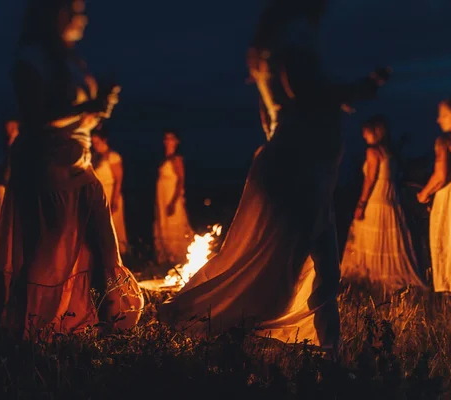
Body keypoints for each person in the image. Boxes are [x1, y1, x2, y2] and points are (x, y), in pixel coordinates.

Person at [159, 0, 390, 354]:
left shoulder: (286, 46)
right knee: (294, 264)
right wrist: (362, 87)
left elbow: (292, 108)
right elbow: (308, 95)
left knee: (316, 262)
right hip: (299, 166)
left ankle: (330, 351)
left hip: (307, 164)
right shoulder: (289, 47)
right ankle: (217, 323)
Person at [0, 0, 143, 339]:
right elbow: (36, 118)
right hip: (47, 165)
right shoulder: (30, 61)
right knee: (50, 252)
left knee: (96, 243)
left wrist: (101, 107)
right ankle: (35, 330)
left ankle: (96, 318)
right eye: (75, 11)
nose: (83, 18)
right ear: (54, 14)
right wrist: (89, 106)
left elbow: (77, 115)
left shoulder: (73, 61)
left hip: (79, 162)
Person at [340, 116, 424, 291]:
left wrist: (361, 203)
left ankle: (370, 274)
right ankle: (382, 276)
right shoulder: (390, 153)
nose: (363, 135)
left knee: (370, 235)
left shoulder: (373, 151)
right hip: (392, 199)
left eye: (366, 131)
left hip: (377, 199)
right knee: (388, 237)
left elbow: (370, 179)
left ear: (374, 132)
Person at [417, 98, 451, 310]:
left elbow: (440, 175)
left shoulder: (445, 141)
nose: (438, 120)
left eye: (443, 115)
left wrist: (424, 194)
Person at [153, 130, 194, 265]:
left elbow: (181, 180)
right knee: (162, 225)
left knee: (174, 225)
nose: (167, 141)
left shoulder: (177, 159)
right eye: (166, 138)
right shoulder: (164, 160)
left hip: (172, 198)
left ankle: (178, 257)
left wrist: (173, 201)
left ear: (176, 142)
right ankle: (166, 258)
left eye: (171, 139)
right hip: (162, 197)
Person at [91, 126, 128, 254]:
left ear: (104, 140)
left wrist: (115, 200)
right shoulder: (95, 159)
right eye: (93, 143)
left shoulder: (112, 156)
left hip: (111, 193)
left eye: (97, 142)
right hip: (99, 194)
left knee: (113, 226)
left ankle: (119, 255)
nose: (95, 145)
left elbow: (118, 179)